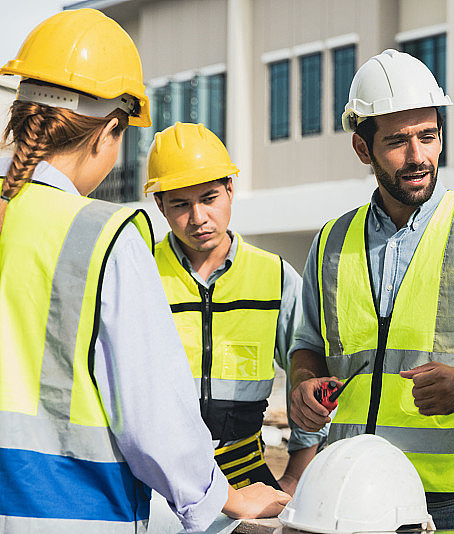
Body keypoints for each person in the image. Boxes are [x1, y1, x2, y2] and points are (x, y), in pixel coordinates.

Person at [0, 9, 289, 533]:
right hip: (72, 513)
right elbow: (151, 414)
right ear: (110, 129)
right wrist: (217, 496)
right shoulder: (103, 234)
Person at [288, 49, 454, 529]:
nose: (418, 156)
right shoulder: (329, 244)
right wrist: (302, 384)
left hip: (453, 501)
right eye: (398, 142)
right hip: (349, 497)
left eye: (428, 136)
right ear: (364, 150)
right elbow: (308, 345)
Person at [145, 121, 325, 495]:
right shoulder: (139, 272)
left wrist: (293, 479)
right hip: (156, 482)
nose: (197, 218)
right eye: (180, 204)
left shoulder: (275, 277)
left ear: (230, 189)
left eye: (209, 198)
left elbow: (309, 380)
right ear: (160, 205)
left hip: (243, 476)